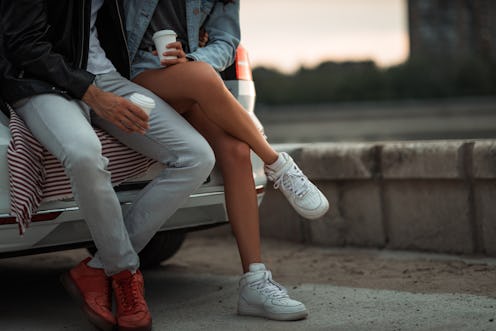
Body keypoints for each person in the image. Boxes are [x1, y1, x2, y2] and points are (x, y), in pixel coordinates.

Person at [0, 1, 216, 331]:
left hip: (107, 77)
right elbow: (23, 44)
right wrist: (91, 93)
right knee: (85, 153)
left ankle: (97, 267)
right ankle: (124, 272)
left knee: (197, 156)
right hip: (43, 81)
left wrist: (193, 40)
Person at [125, 0, 330, 321]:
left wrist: (190, 57)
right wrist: (194, 66)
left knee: (236, 150)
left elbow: (225, 42)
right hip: (132, 75)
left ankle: (255, 281)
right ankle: (277, 163)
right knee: (204, 77)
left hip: (186, 78)